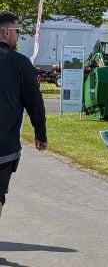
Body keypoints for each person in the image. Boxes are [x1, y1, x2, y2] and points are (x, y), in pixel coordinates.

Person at [0, 11, 47, 219]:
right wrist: (41, 134)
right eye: (17, 31)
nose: (19, 36)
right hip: (4, 144)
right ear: (6, 33)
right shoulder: (20, 63)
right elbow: (34, 102)